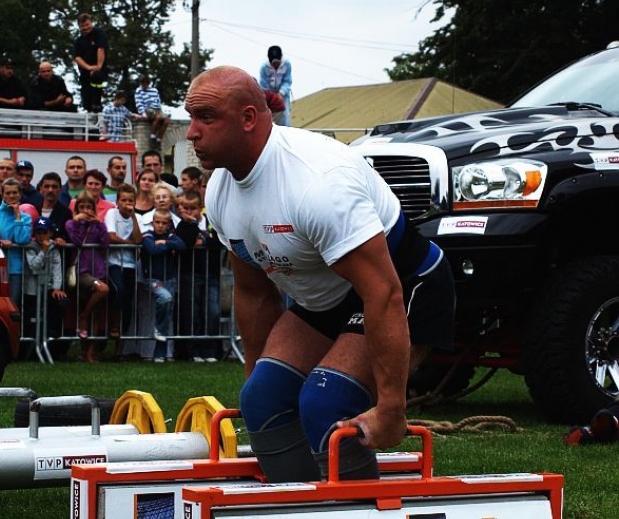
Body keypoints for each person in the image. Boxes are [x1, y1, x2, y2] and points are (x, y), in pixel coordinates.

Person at [184, 66, 456, 482]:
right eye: (191, 117)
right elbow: (255, 294)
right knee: (261, 401)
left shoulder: (317, 181)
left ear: (248, 119)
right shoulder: (220, 190)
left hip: (402, 283)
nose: (191, 133)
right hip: (326, 297)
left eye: (205, 117)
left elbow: (383, 293)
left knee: (325, 403)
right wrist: (257, 378)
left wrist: (390, 409)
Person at [175, 189, 223, 362]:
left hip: (211, 273)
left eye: (192, 208)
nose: (189, 212)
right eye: (185, 208)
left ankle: (209, 350)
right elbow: (185, 243)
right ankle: (193, 351)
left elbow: (219, 241)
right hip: (190, 273)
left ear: (200, 207)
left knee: (212, 311)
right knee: (193, 312)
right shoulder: (183, 225)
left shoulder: (212, 222)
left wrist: (204, 241)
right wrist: (191, 224)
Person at [66, 193, 111, 362]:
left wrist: (99, 224)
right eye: (82, 207)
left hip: (97, 269)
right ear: (77, 208)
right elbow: (76, 241)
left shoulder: (98, 224)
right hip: (82, 271)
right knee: (102, 289)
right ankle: (83, 317)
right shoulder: (71, 223)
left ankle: (89, 353)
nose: (86, 211)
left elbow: (105, 243)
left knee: (96, 312)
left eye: (89, 207)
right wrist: (78, 222)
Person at [141, 209, 191, 363]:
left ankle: (160, 354)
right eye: (158, 222)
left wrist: (166, 243)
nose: (160, 226)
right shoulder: (148, 235)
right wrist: (169, 246)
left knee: (167, 314)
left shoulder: (170, 236)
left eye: (164, 223)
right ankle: (157, 335)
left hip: (170, 279)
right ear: (153, 222)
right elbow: (153, 249)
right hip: (153, 279)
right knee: (165, 298)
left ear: (169, 225)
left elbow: (182, 245)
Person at [104, 184, 143, 346]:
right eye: (124, 200)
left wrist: (133, 217)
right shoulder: (111, 213)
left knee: (128, 303)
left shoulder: (137, 218)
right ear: (117, 201)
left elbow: (139, 240)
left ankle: (121, 347)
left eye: (130, 200)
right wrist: (129, 244)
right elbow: (111, 237)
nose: (127, 203)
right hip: (114, 263)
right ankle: (112, 325)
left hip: (130, 265)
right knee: (118, 290)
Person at [23, 216, 68, 348]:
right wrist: (43, 251)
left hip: (47, 288)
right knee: (32, 318)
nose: (41, 236)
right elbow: (33, 266)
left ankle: (51, 337)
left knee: (60, 303)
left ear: (50, 233)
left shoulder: (53, 247)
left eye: (44, 232)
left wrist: (56, 288)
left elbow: (57, 267)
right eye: (38, 232)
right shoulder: (30, 247)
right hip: (32, 290)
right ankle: (29, 346)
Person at [0, 177, 33, 306]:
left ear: (20, 194)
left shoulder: (26, 217)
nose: (12, 196)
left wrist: (18, 215)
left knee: (12, 305)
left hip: (15, 269)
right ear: (2, 194)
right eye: (8, 193)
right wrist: (0, 242)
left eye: (15, 193)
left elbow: (22, 240)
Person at [73, 13, 108, 112]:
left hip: (99, 69)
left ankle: (97, 104)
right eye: (82, 26)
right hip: (85, 72)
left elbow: (101, 49)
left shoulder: (98, 33)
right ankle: (88, 108)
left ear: (91, 23)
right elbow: (77, 57)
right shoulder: (78, 41)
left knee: (96, 80)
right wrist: (88, 68)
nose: (85, 27)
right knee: (86, 97)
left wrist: (98, 66)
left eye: (87, 24)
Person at [259, 45, 293, 126]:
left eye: (277, 62)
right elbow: (264, 86)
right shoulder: (264, 68)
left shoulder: (287, 64)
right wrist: (272, 97)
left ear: (281, 57)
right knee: (268, 115)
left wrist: (281, 94)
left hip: (283, 95)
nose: (275, 65)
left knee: (285, 115)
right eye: (273, 62)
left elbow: (287, 81)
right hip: (269, 96)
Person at [35, 172, 72, 244]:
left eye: (54, 187)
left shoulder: (66, 213)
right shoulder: (34, 210)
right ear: (41, 189)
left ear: (60, 189)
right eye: (46, 186)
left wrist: (62, 240)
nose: (50, 190)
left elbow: (68, 237)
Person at [135, 74, 170, 147]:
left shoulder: (154, 90)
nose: (144, 85)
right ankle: (152, 137)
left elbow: (158, 101)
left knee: (166, 120)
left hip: (157, 109)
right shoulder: (139, 90)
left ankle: (159, 140)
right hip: (147, 109)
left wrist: (160, 110)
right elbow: (139, 103)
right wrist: (143, 113)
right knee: (158, 117)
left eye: (146, 83)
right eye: (143, 83)